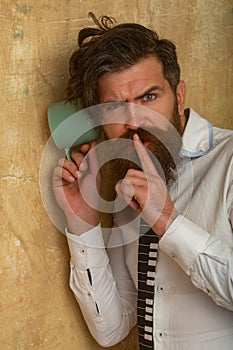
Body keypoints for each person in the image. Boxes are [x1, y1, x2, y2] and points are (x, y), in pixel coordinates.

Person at [52, 13, 233, 349]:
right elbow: (112, 328)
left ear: (179, 96)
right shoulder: (127, 186)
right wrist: (84, 223)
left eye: (149, 97)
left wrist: (168, 221)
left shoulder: (230, 161)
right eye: (115, 108)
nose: (135, 122)